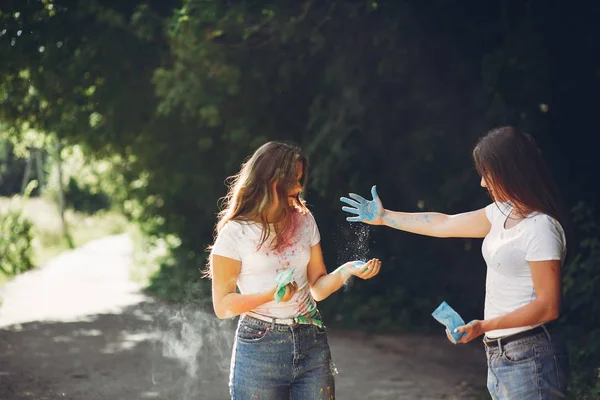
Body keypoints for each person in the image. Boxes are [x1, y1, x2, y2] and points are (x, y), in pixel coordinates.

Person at [340, 126, 570, 399]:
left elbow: (547, 306)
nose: (483, 183)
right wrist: (385, 217)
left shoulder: (541, 228)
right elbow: (444, 223)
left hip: (530, 354)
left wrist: (483, 325)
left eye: (487, 173)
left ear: (510, 170)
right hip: (500, 353)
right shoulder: (501, 213)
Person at [208, 141, 382, 400]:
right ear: (269, 180)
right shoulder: (235, 233)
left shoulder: (304, 220)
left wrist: (347, 270)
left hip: (311, 341)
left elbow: (317, 289)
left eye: (300, 179)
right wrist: (272, 295)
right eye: (292, 180)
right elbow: (223, 306)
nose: (299, 187)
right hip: (259, 347)